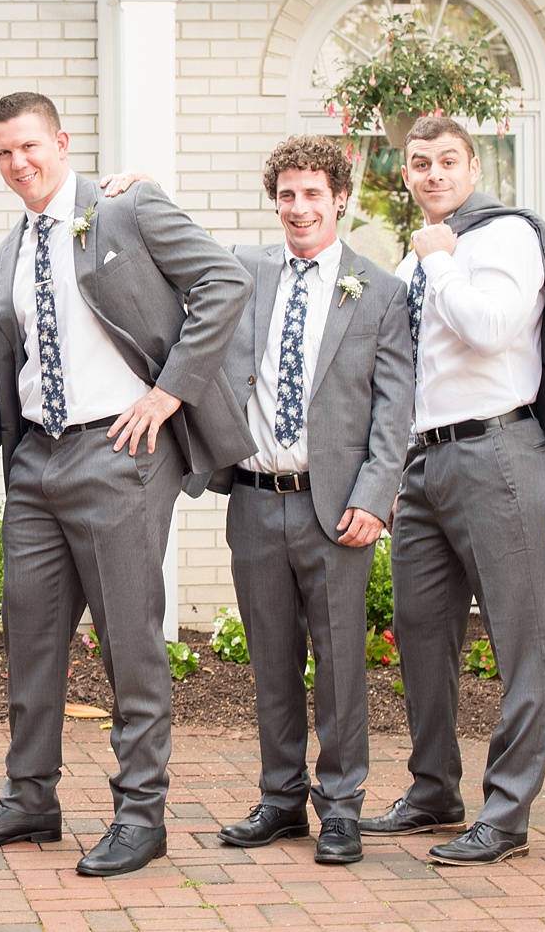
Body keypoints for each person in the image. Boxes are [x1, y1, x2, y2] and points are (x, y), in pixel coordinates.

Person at [0, 91, 253, 878]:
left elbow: (224, 281)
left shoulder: (128, 206)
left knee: (130, 642)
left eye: (29, 146)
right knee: (31, 640)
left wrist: (169, 390)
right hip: (36, 463)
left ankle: (141, 813)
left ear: (62, 140)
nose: (18, 164)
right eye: (2, 153)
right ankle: (30, 798)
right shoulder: (6, 253)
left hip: (122, 449)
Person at [362, 116, 545, 865]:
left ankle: (506, 812)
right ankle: (433, 789)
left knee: (522, 639)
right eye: (420, 163)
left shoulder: (504, 237)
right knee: (419, 633)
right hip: (423, 463)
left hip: (498, 451)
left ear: (474, 168)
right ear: (405, 174)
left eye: (449, 160)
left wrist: (443, 261)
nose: (435, 174)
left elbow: (490, 328)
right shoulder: (419, 258)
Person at [206, 136, 412, 865]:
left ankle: (344, 805)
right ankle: (280, 799)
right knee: (270, 659)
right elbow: (163, 260)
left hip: (338, 510)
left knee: (340, 663)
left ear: (339, 198)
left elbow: (394, 408)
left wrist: (377, 497)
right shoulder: (243, 268)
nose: (298, 207)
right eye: (287, 194)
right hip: (256, 499)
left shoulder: (380, 290)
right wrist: (132, 188)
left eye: (312, 194)